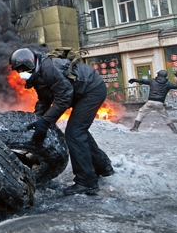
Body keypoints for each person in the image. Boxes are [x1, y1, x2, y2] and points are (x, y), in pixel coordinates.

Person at [9, 47, 113, 196]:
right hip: (81, 92)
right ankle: (103, 167)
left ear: (30, 64)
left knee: (74, 133)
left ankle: (87, 182)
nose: (21, 74)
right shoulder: (39, 74)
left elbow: (64, 97)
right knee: (79, 131)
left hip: (91, 90)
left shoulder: (48, 69)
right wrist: (36, 119)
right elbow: (44, 100)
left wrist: (45, 122)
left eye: (22, 69)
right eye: (18, 71)